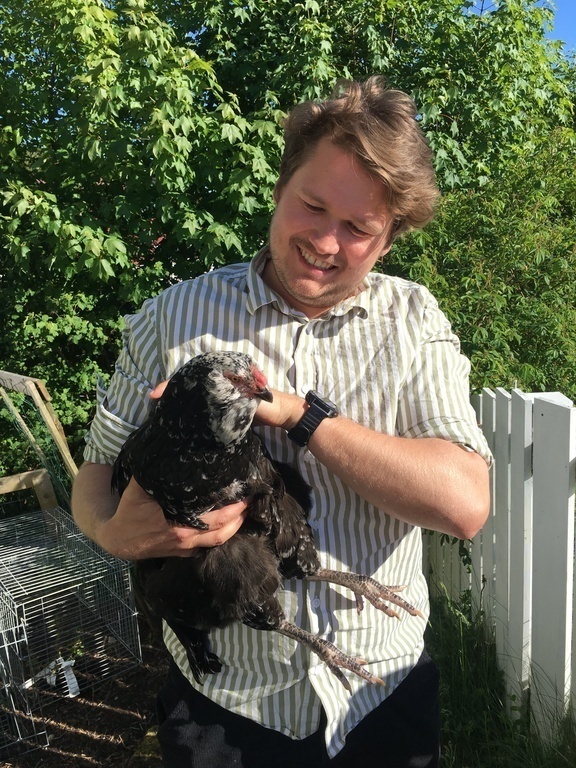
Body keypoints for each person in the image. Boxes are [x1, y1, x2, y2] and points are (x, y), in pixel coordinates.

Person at [71, 76, 492, 768]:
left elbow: (465, 504)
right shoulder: (170, 318)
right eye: (313, 205)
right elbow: (94, 475)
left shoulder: (416, 325)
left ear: (389, 239)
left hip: (379, 696)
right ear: (279, 187)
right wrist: (112, 533)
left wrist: (301, 415)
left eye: (358, 228)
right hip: (223, 708)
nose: (326, 241)